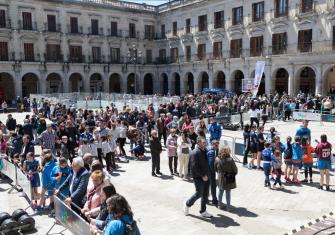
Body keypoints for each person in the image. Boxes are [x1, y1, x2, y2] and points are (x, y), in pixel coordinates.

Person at [183, 137, 212, 218]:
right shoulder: (195, 153)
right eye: (203, 142)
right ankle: (187, 204)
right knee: (199, 193)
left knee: (205, 194)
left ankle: (203, 211)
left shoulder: (205, 150)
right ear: (198, 143)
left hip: (207, 176)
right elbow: (194, 167)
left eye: (205, 142)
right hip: (198, 177)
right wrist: (202, 176)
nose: (205, 143)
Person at [214, 146, 238, 211]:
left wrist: (219, 173)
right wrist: (232, 174)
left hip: (220, 177)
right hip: (228, 178)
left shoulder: (217, 159)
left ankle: (219, 205)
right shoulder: (230, 160)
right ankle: (228, 207)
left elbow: (215, 168)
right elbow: (235, 170)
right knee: (228, 192)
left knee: (220, 191)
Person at [206, 140, 219, 207]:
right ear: (212, 144)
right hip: (210, 172)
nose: (217, 147)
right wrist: (214, 171)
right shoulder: (212, 152)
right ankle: (214, 200)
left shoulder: (208, 149)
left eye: (217, 145)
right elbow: (211, 164)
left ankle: (206, 199)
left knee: (207, 185)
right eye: (216, 145)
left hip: (206, 171)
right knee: (213, 186)